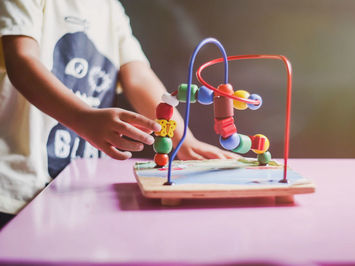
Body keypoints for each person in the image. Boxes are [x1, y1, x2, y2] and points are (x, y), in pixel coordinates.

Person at [0, 0, 237, 227]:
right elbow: (21, 61)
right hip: (16, 190)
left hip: (79, 192)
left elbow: (138, 77)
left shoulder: (110, 8)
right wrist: (83, 117)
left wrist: (182, 139)